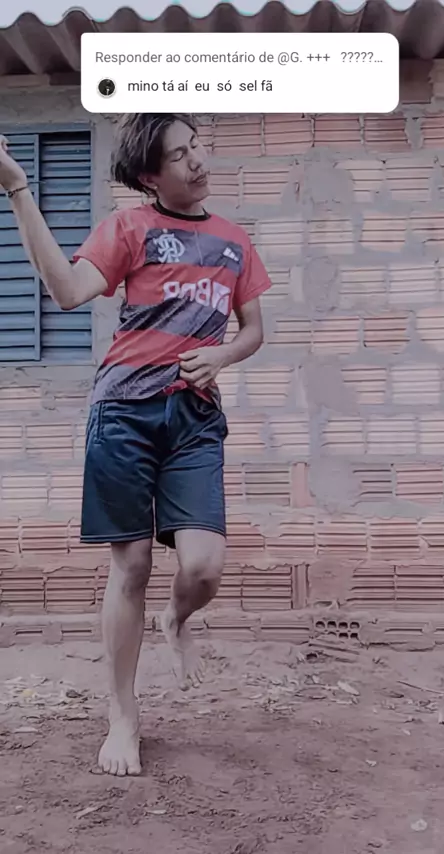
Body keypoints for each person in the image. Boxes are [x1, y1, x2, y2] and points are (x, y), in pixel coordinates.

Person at [0, 114, 271, 777]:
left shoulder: (234, 242)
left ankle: (176, 619)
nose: (197, 161)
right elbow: (67, 291)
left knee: (203, 567)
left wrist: (223, 356)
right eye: (179, 156)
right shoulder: (130, 228)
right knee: (132, 567)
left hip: (195, 419)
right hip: (124, 413)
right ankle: (123, 716)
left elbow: (253, 329)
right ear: (150, 176)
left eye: (196, 145)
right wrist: (17, 188)